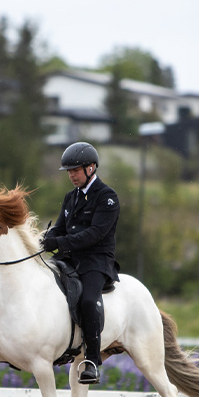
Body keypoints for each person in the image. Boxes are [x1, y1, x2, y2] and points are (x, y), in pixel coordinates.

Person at [42, 142, 120, 384]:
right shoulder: (71, 197)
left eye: (75, 170)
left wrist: (61, 242)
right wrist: (46, 239)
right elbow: (61, 228)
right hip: (70, 257)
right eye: (69, 171)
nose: (71, 175)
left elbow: (95, 234)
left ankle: (92, 362)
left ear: (91, 168)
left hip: (96, 260)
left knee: (87, 300)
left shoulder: (107, 197)